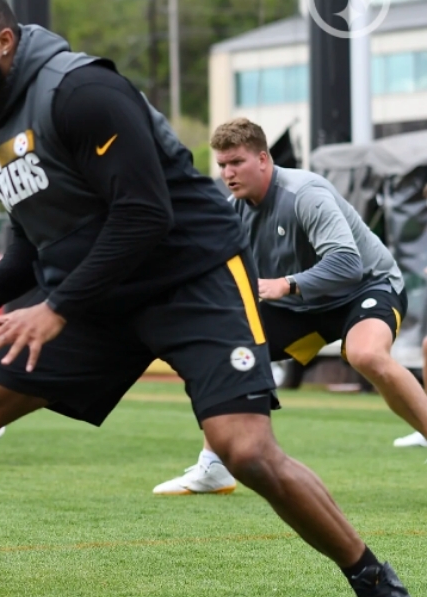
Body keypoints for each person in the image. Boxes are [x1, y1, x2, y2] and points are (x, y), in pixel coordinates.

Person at [0, 0, 424, 597]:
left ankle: (377, 583)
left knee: (246, 450)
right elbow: (35, 241)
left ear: (4, 42)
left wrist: (58, 307)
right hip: (102, 296)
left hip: (191, 278)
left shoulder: (83, 90)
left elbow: (145, 213)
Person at [154, 118, 427, 494]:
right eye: (222, 165)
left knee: (366, 355)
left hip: (368, 286)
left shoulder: (305, 193)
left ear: (263, 159)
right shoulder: (234, 209)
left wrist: (286, 284)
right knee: (224, 350)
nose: (228, 173)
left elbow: (348, 264)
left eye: (237, 162)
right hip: (304, 306)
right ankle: (215, 466)